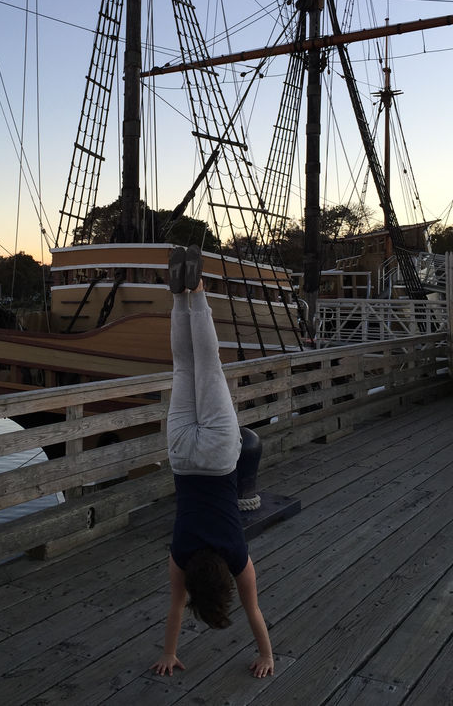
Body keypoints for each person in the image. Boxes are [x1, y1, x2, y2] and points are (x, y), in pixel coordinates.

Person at [151, 244, 274, 679]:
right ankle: (179, 297)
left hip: (221, 455)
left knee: (209, 365)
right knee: (184, 367)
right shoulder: (181, 556)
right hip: (183, 455)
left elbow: (254, 611)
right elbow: (174, 608)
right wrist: (168, 653)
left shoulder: (235, 553)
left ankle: (197, 289)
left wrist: (267, 656)